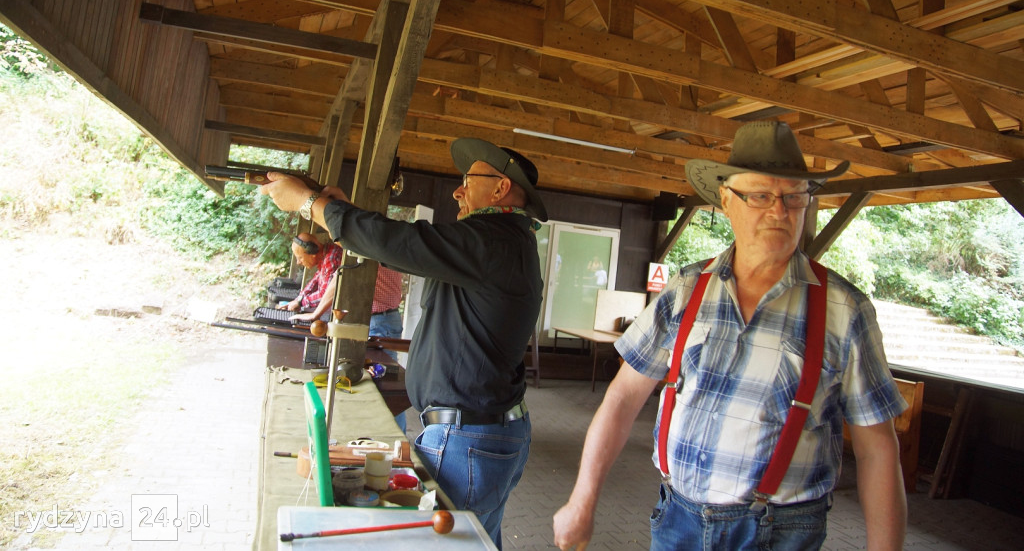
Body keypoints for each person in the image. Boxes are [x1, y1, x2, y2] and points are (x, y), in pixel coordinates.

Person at [553, 121, 908, 551]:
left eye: (794, 197)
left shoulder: (844, 310)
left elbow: (877, 450)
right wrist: (581, 502)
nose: (779, 211)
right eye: (760, 195)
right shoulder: (684, 290)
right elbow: (623, 398)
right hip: (676, 521)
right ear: (726, 199)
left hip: (779, 533)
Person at [259, 138, 547, 549]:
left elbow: (400, 244)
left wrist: (310, 204)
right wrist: (341, 217)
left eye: (469, 179)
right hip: (480, 434)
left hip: (467, 438)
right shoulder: (500, 241)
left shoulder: (492, 239)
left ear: (500, 189)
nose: (458, 190)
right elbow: (398, 245)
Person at [277, 233, 343, 317]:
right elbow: (315, 279)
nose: (298, 262)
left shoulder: (331, 260)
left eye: (300, 257)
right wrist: (298, 299)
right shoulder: (325, 255)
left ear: (313, 253)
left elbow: (324, 295)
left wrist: (301, 302)